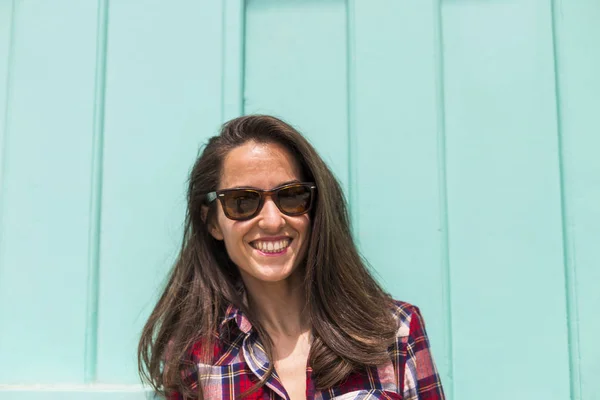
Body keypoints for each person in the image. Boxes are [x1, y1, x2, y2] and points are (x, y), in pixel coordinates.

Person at [138, 115, 445, 400]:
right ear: (213, 223)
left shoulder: (395, 332)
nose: (272, 221)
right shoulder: (194, 358)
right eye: (243, 201)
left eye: (291, 196)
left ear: (313, 208)